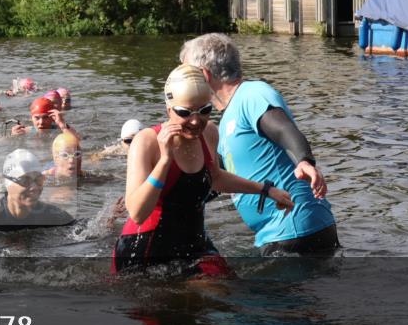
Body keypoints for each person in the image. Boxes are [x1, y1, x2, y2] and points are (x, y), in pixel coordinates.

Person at [113, 64, 294, 275]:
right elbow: (136, 213)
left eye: (204, 110)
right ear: (168, 109)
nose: (195, 120)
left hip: (194, 243)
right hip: (144, 251)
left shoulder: (209, 133)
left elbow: (215, 178)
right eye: (185, 112)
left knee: (223, 291)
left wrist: (266, 190)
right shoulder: (146, 142)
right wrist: (165, 161)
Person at [179, 33, 338, 255]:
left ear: (203, 76)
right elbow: (220, 178)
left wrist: (304, 161)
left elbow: (283, 129)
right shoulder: (226, 120)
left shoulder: (253, 94)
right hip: (280, 235)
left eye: (187, 76)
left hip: (295, 231)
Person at [0, 149, 75, 231]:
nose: (35, 187)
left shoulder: (54, 216)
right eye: (25, 180)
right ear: (8, 184)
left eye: (38, 180)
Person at [10, 96, 78, 136]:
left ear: (52, 117)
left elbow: (77, 140)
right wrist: (13, 136)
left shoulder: (60, 130)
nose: (41, 122)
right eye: (37, 118)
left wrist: (62, 123)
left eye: (45, 117)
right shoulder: (26, 131)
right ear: (31, 118)